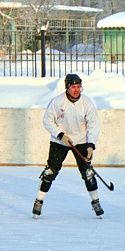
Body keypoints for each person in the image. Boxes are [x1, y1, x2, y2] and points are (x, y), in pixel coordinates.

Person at [33, 73, 103, 218]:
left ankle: (95, 202)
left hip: (81, 141)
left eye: (78, 87)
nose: (76, 90)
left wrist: (91, 145)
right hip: (60, 141)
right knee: (50, 171)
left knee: (88, 173)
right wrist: (60, 135)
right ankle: (39, 201)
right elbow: (47, 120)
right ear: (67, 87)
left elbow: (94, 125)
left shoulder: (87, 103)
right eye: (73, 87)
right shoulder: (57, 102)